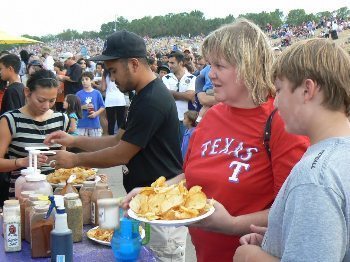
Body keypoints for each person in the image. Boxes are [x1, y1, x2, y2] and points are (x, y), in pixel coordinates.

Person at [122, 19, 309, 262]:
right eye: (210, 64)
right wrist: (151, 193)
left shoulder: (282, 121)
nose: (210, 74)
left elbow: (292, 212)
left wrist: (232, 225)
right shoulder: (211, 117)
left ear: (248, 66)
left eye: (219, 65)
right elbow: (191, 177)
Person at [44, 30, 188, 261]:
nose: (111, 79)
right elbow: (117, 139)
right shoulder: (142, 96)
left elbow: (121, 153)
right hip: (146, 202)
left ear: (133, 64)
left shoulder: (152, 100)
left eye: (113, 71)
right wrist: (74, 140)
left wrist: (75, 160)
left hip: (161, 208)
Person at [234, 39, 350, 262]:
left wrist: (250, 257)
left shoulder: (316, 176)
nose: (275, 103)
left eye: (279, 90)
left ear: (307, 90)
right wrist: (282, 237)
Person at [0, 69, 69, 198]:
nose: (46, 106)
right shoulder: (10, 120)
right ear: (27, 92)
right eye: (41, 100)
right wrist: (22, 162)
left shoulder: (61, 119)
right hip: (24, 194)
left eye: (52, 101)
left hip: (57, 194)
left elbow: (62, 162)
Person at [162, 51, 196, 143]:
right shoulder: (166, 78)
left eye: (172, 63)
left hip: (186, 120)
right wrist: (184, 95)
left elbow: (190, 96)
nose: (169, 65)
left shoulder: (192, 78)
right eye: (169, 62)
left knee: (184, 148)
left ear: (181, 63)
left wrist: (171, 94)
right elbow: (165, 96)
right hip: (170, 119)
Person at [76, 71, 105, 137]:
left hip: (94, 124)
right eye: (82, 80)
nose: (84, 81)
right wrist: (82, 107)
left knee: (95, 145)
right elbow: (74, 107)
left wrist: (96, 114)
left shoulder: (97, 93)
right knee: (81, 145)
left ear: (91, 80)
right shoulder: (78, 94)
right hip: (81, 124)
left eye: (86, 79)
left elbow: (102, 106)